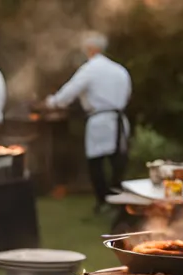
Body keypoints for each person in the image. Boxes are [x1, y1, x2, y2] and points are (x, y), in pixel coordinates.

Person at [46, 31, 132, 213]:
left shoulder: (90, 68)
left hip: (100, 121)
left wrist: (53, 102)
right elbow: (127, 94)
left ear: (91, 49)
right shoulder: (119, 70)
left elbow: (70, 91)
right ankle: (117, 199)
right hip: (118, 119)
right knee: (117, 160)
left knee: (96, 163)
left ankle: (104, 201)